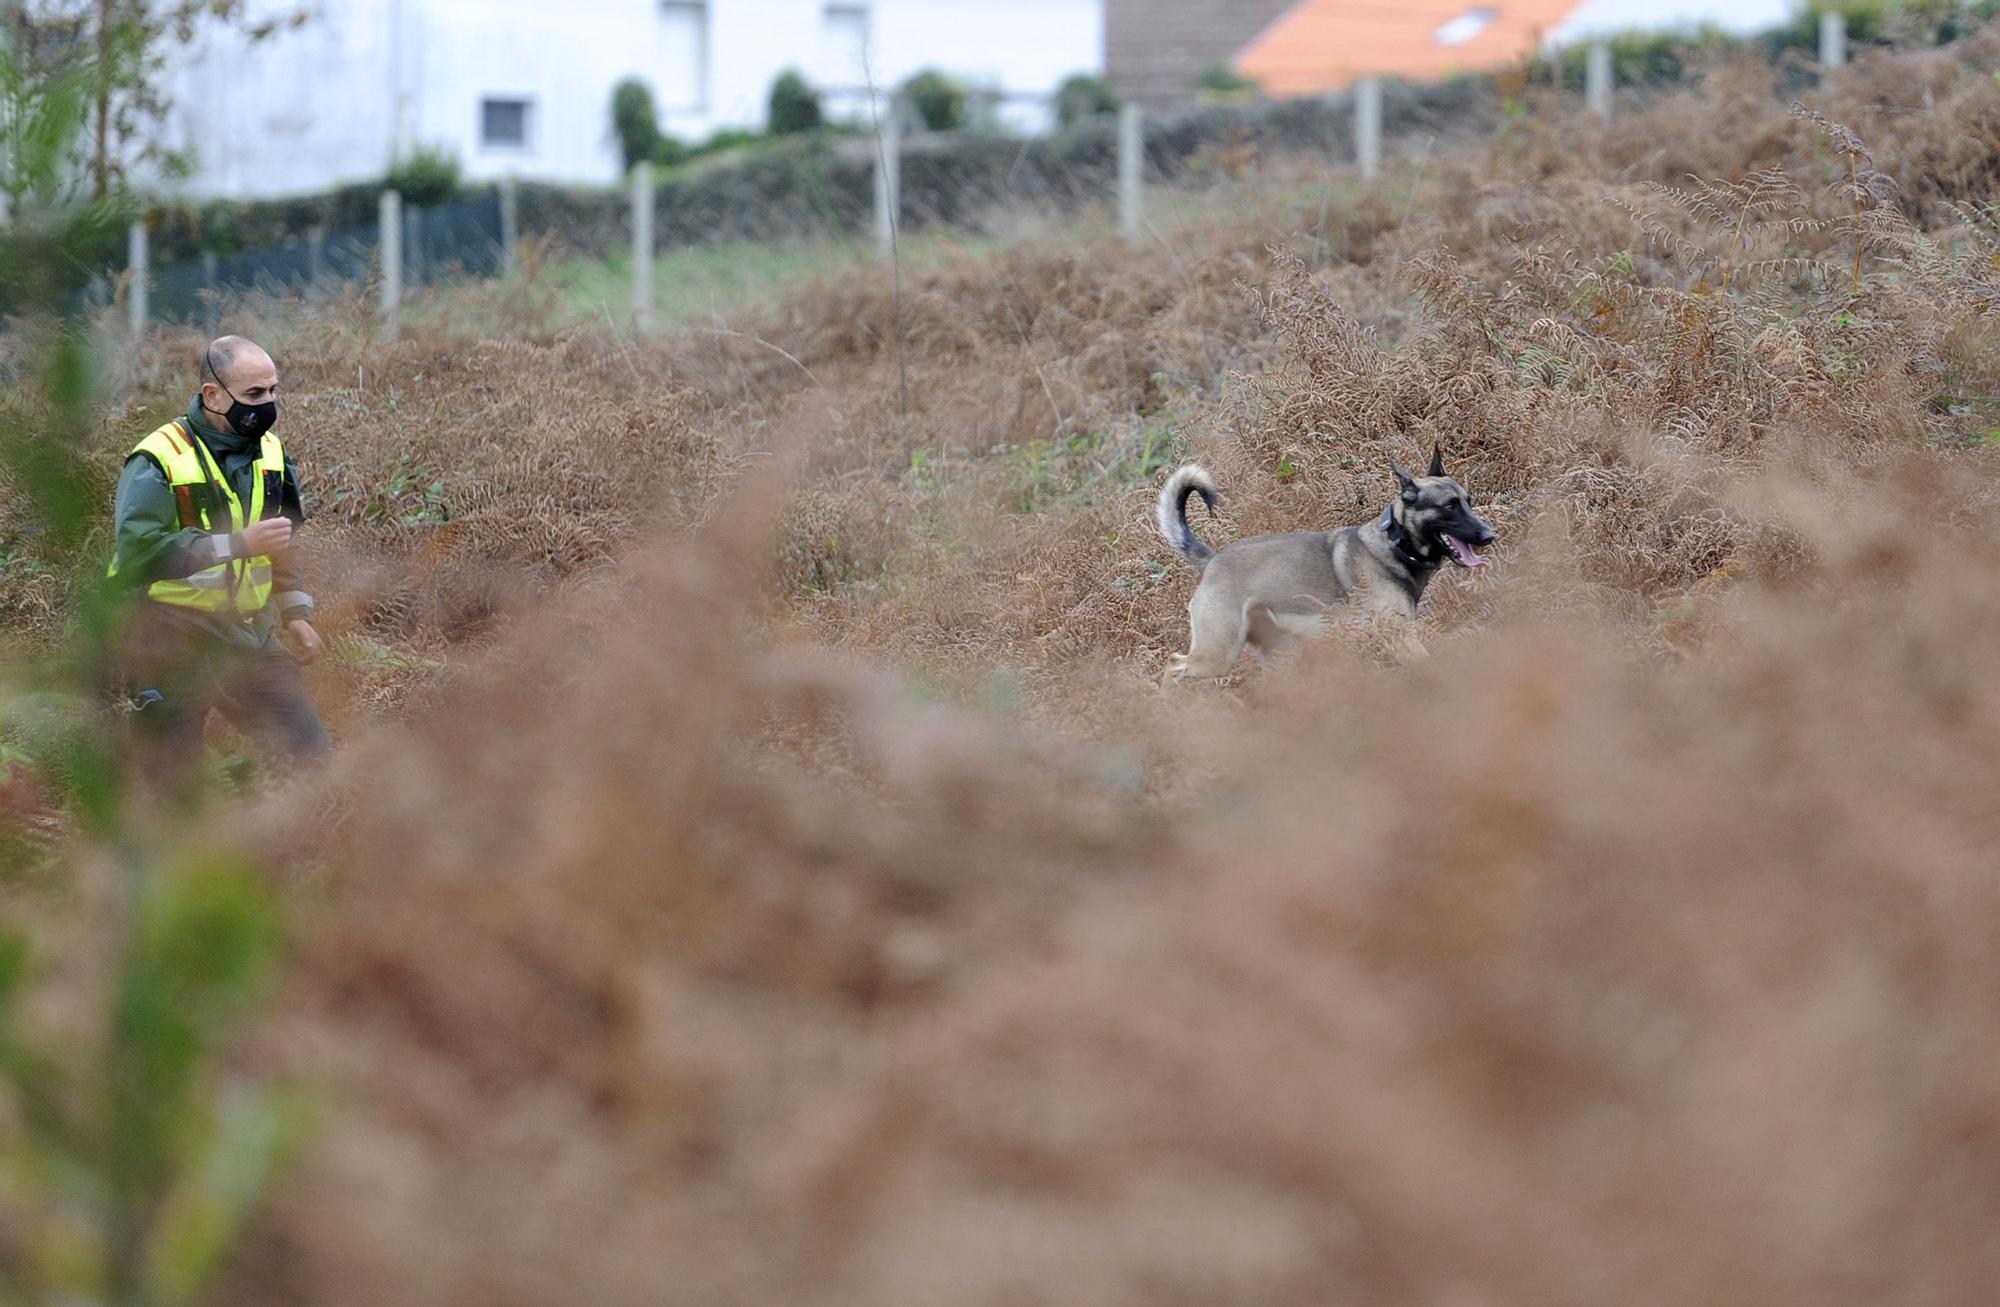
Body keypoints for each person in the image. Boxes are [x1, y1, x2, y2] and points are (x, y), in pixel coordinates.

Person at [107, 335, 329, 795]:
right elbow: (137, 556)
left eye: (272, 391)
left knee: (311, 759)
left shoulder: (272, 454)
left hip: (250, 635)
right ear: (212, 394)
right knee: (175, 787)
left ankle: (294, 858)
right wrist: (234, 545)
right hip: (170, 639)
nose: (268, 404)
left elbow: (279, 543)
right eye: (254, 394)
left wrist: (297, 614)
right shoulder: (157, 459)